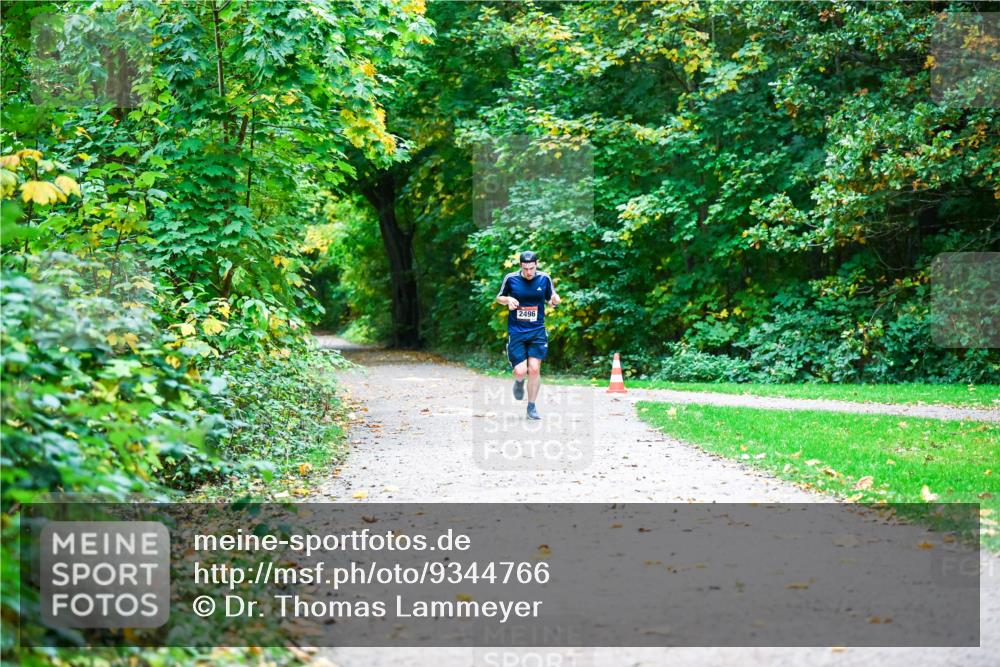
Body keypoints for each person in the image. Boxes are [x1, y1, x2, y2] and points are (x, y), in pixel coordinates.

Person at [495, 250, 561, 419]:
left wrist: (554, 300)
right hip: (517, 331)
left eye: (532, 268)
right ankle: (518, 382)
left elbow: (550, 299)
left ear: (536, 265)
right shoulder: (511, 278)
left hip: (537, 330)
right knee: (520, 371)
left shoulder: (544, 278)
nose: (529, 272)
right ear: (520, 266)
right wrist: (508, 300)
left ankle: (531, 407)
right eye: (525, 269)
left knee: (534, 368)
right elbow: (499, 297)